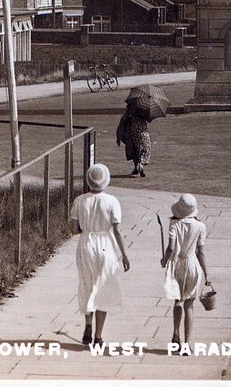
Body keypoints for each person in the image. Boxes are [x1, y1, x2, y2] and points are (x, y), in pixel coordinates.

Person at [70, 163, 130, 348]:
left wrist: (86, 224)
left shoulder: (80, 200)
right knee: (103, 287)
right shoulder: (112, 201)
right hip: (106, 244)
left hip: (86, 243)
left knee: (87, 284)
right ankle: (98, 336)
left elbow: (74, 229)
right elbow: (117, 230)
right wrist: (125, 254)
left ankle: (88, 323)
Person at [161, 194, 210, 353]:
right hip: (193, 265)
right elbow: (201, 252)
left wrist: (164, 260)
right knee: (190, 304)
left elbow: (171, 248)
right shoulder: (200, 226)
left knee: (178, 301)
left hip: (177, 264)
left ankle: (175, 336)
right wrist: (206, 273)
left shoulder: (174, 224)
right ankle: (187, 344)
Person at [115, 105, 152, 177]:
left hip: (131, 131)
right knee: (143, 149)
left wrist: (119, 136)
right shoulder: (144, 108)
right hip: (142, 131)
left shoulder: (129, 109)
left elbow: (123, 120)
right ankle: (140, 164)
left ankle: (136, 167)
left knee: (134, 149)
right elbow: (149, 118)